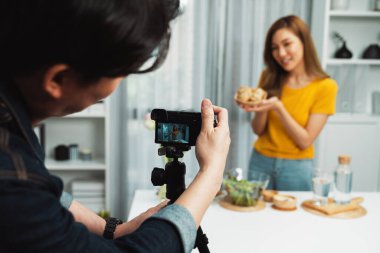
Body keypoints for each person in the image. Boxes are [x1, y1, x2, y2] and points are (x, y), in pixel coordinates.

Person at [0, 1, 231, 253]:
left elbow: (46, 193)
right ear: (58, 79)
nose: (118, 84)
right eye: (122, 71)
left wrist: (113, 230)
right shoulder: (11, 176)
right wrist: (211, 173)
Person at [237, 15, 338, 191]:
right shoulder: (268, 76)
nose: (281, 54)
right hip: (260, 161)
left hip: (296, 168)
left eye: (287, 44)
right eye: (274, 48)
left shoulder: (326, 87)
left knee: (293, 218)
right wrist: (260, 107)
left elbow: (305, 141)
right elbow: (258, 130)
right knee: (255, 216)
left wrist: (278, 108)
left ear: (304, 41)